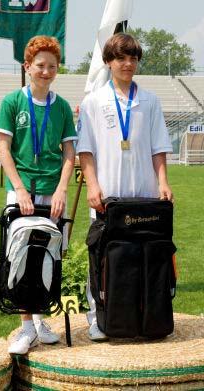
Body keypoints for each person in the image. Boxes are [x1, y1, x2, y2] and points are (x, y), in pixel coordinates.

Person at [76, 33, 173, 341]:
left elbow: (158, 147)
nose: (128, 64)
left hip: (143, 195)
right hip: (107, 195)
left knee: (141, 256)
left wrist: (163, 183)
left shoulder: (150, 101)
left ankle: (141, 314)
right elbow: (86, 150)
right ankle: (98, 317)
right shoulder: (93, 101)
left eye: (133, 58)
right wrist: (92, 186)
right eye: (121, 58)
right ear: (108, 62)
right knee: (102, 256)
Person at [0, 36, 78, 354]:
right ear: (27, 67)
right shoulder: (12, 102)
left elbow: (69, 152)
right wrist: (18, 189)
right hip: (22, 194)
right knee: (20, 257)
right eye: (40, 65)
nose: (46, 71)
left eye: (52, 66)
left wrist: (61, 189)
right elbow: (3, 149)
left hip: (51, 195)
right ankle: (25, 327)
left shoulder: (61, 107)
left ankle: (41, 321)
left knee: (49, 256)